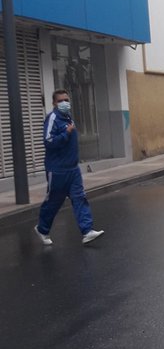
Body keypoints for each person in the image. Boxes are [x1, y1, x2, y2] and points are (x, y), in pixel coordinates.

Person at [34, 90, 104, 246]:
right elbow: (48, 142)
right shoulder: (52, 118)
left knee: (79, 197)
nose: (64, 103)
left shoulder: (69, 118)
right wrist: (66, 133)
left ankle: (87, 231)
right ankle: (42, 229)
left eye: (66, 100)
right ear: (54, 103)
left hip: (73, 169)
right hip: (57, 170)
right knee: (54, 202)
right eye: (60, 101)